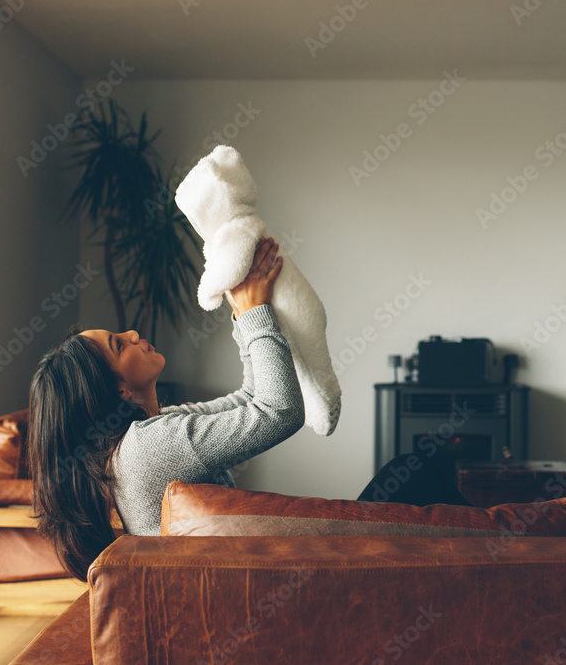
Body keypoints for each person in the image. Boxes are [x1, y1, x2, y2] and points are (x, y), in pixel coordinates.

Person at [27, 236, 469, 582]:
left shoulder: (154, 432)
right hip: (289, 578)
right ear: (118, 391)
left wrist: (244, 311)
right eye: (119, 345)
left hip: (271, 572)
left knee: (420, 474)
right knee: (420, 466)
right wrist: (256, 310)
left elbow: (248, 400)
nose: (133, 331)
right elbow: (279, 410)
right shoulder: (147, 448)